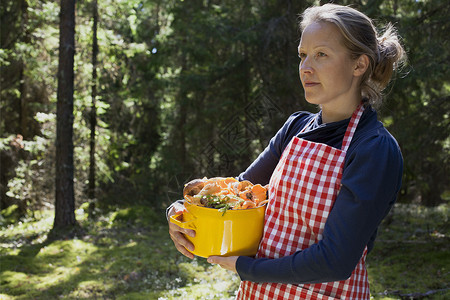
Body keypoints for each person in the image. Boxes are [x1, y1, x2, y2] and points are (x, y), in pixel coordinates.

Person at [167, 3, 406, 299]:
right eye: (303, 55)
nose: (306, 67)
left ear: (359, 65)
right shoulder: (296, 128)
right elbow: (239, 197)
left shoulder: (373, 148)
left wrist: (247, 268)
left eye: (321, 55)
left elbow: (336, 261)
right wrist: (182, 211)